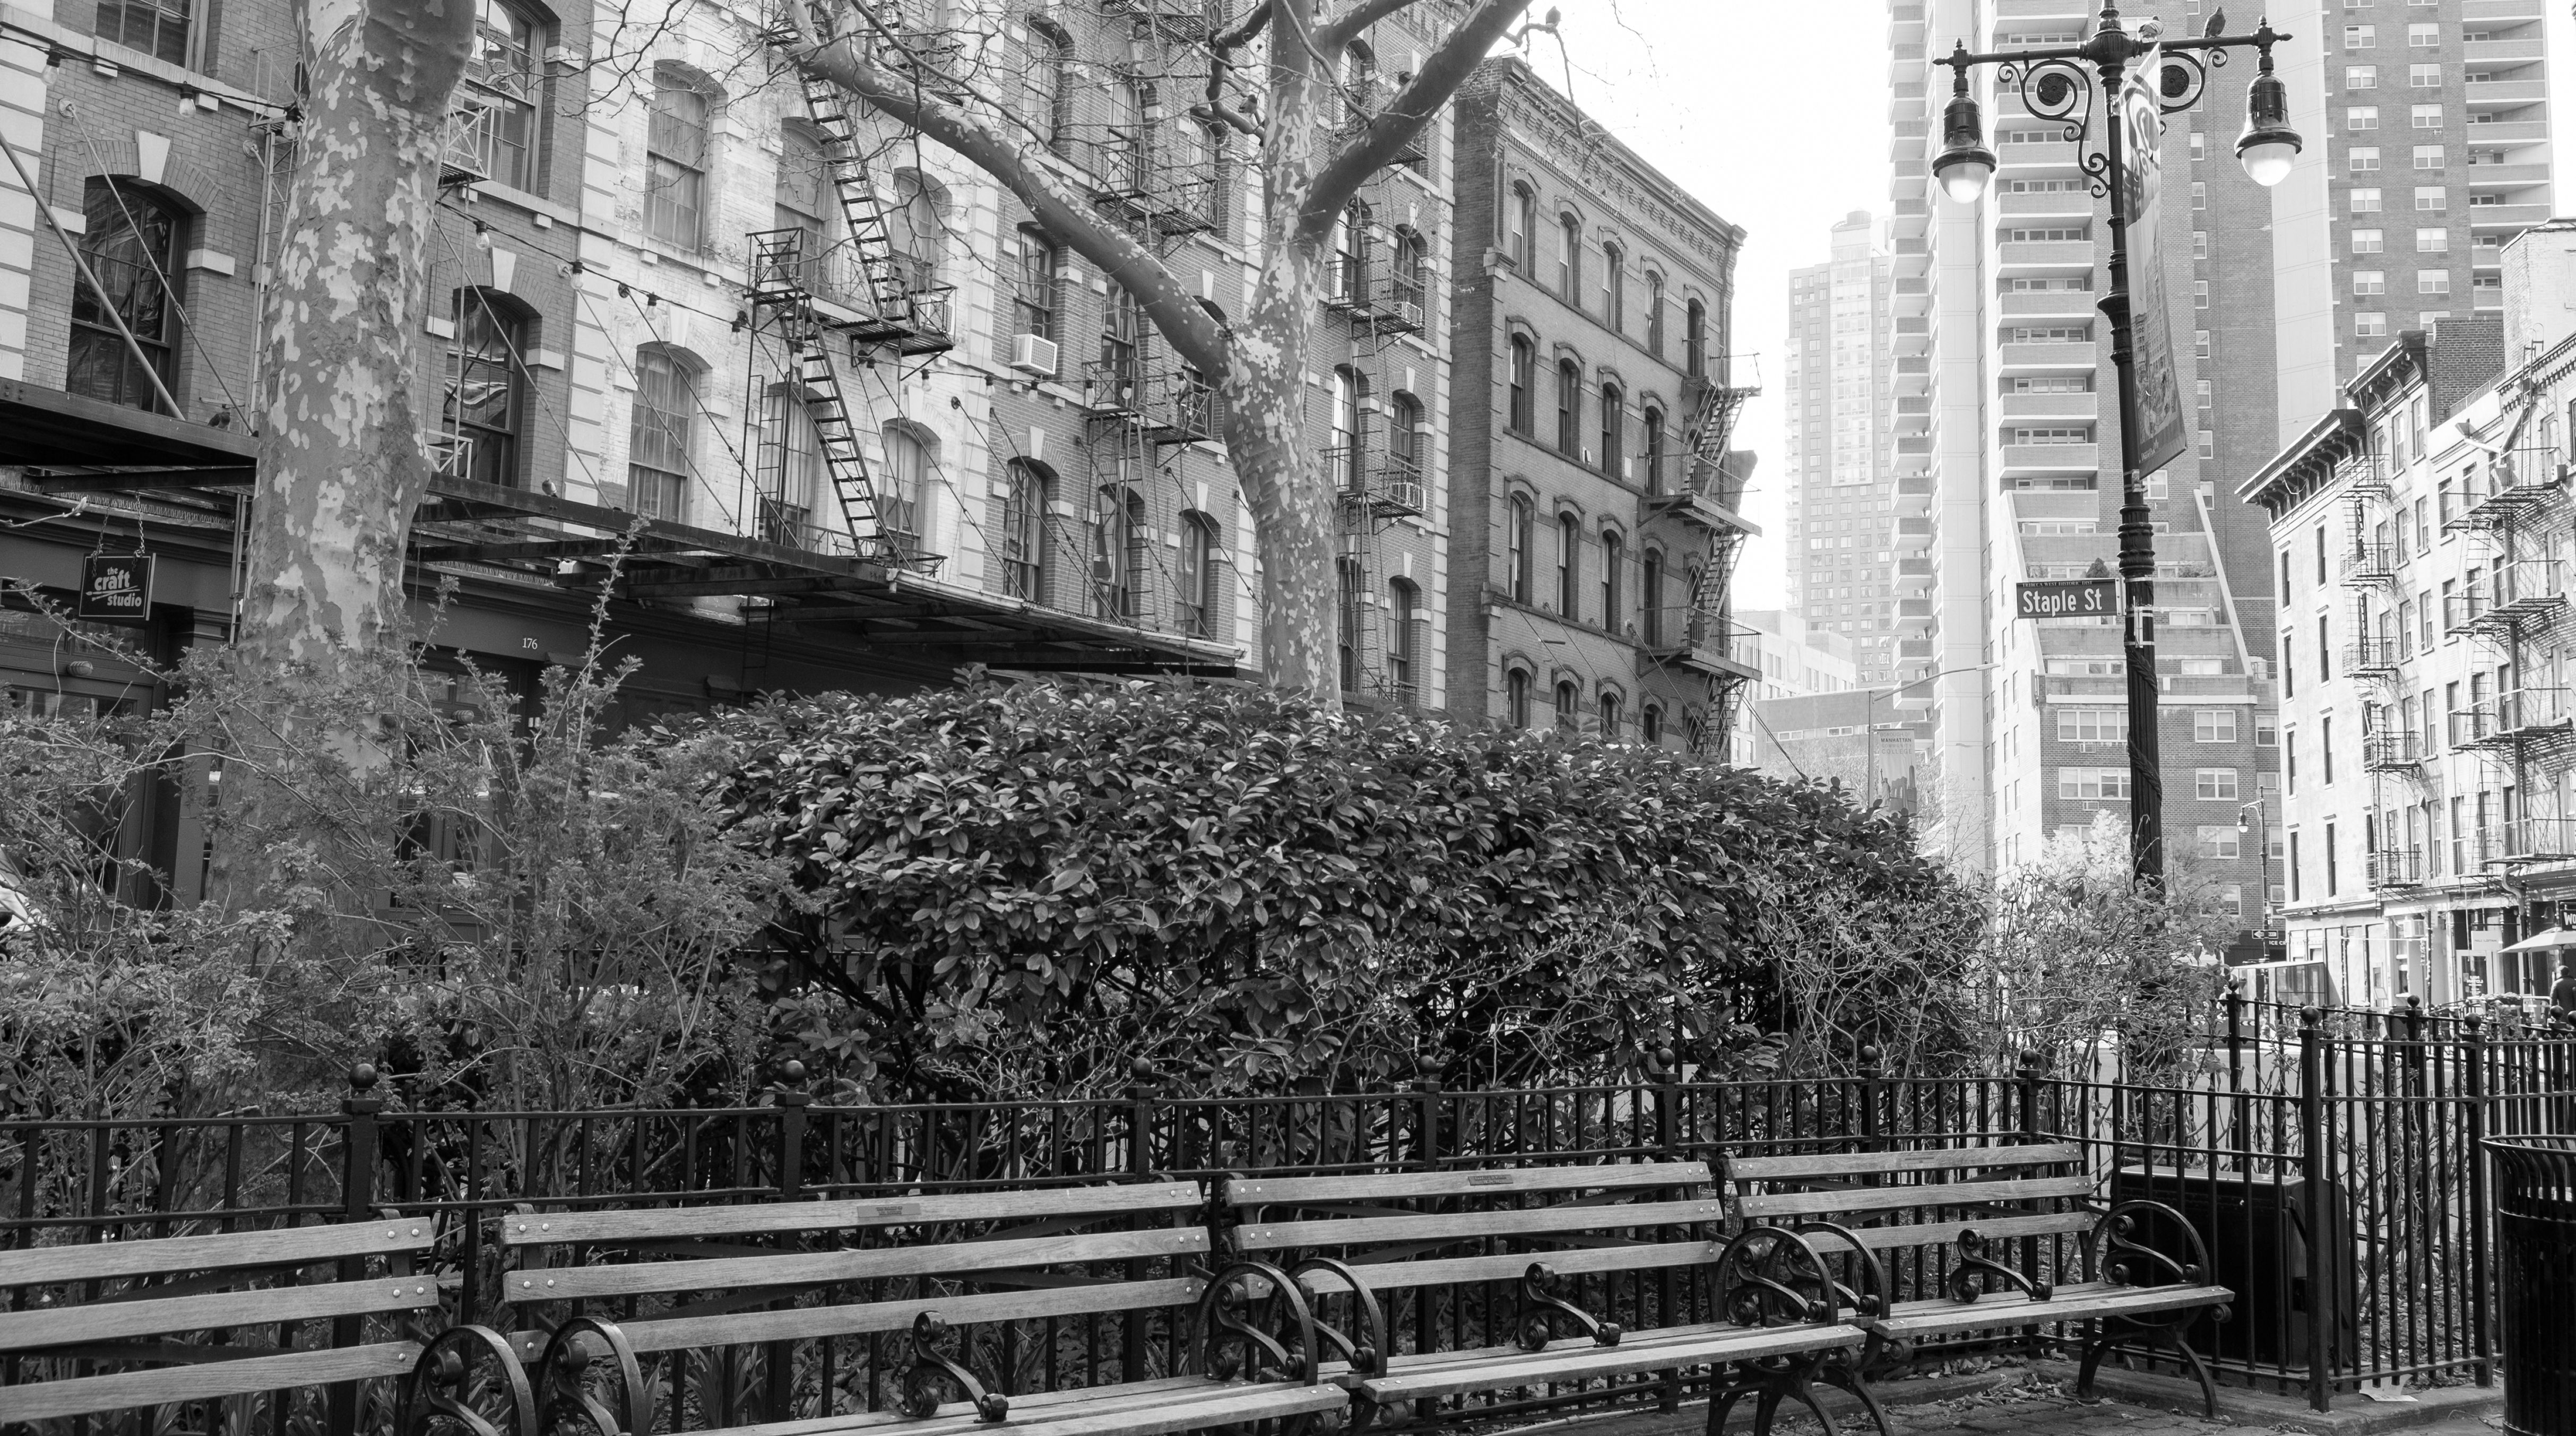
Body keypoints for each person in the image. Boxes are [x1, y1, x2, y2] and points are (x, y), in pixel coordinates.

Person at [2553, 953, 2576, 1024]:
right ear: (2568, 973)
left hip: (2562, 1013)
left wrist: (2552, 1014)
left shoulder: (2557, 984)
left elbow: (2553, 1000)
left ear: (2560, 973)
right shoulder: (2574, 982)